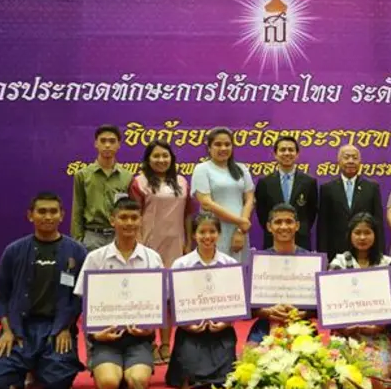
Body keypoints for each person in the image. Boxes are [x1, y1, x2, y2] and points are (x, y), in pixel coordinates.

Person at [0, 192, 87, 389]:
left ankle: (37, 370)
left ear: (62, 215)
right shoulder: (14, 251)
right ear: (31, 215)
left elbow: (79, 298)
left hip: (57, 328)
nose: (48, 217)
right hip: (20, 328)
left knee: (57, 384)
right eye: (42, 211)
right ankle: (22, 375)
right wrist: (7, 331)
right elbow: (1, 296)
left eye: (53, 212)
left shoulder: (77, 252)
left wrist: (66, 328)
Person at [73, 198, 164, 389]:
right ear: (112, 220)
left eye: (134, 218)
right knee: (109, 384)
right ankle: (111, 371)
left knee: (137, 382)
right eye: (123, 217)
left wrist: (149, 329)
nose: (129, 223)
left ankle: (130, 370)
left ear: (141, 220)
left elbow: (160, 301)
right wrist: (94, 334)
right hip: (105, 340)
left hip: (139, 340)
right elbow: (85, 302)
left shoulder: (152, 258)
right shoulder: (95, 258)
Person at [128, 139, 192, 364]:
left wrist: (188, 242)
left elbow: (188, 215)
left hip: (176, 246)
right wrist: (137, 245)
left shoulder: (182, 182)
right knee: (148, 297)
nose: (161, 160)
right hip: (148, 245)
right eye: (156, 156)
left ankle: (166, 344)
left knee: (169, 299)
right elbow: (133, 215)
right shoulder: (139, 182)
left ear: (172, 159)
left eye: (165, 155)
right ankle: (150, 343)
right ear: (148, 159)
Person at [165, 213, 239, 389]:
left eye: (212, 231)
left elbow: (236, 302)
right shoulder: (181, 265)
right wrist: (186, 325)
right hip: (190, 331)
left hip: (221, 330)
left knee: (226, 378)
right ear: (194, 235)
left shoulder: (230, 263)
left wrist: (225, 323)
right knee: (187, 375)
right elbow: (172, 302)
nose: (207, 236)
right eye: (202, 232)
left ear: (219, 234)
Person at [329, 212, 391, 388]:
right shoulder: (338, 263)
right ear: (350, 235)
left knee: (378, 376)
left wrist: (378, 326)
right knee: (339, 374)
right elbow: (331, 301)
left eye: (367, 232)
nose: (362, 237)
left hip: (376, 332)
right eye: (357, 232)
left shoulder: (387, 264)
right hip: (345, 333)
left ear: (375, 235)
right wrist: (344, 328)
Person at [247, 203, 313, 344]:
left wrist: (303, 313)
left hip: (301, 325)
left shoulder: (310, 260)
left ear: (297, 226)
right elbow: (248, 309)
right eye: (278, 222)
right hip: (265, 325)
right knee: (250, 354)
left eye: (289, 222)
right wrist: (267, 312)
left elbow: (319, 308)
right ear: (269, 227)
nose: (283, 226)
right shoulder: (258, 261)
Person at [191, 127, 255, 262]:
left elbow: (249, 199)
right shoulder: (202, 169)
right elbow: (206, 203)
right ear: (209, 148)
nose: (223, 148)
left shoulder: (241, 168)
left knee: (238, 270)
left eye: (227, 144)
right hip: (213, 231)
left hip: (239, 231)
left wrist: (240, 230)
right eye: (218, 144)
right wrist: (241, 222)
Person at [71, 124, 134, 251]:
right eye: (103, 141)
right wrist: (77, 241)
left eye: (112, 141)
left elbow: (131, 210)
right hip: (92, 236)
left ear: (119, 145)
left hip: (118, 235)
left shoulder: (127, 176)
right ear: (96, 143)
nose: (107, 145)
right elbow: (77, 210)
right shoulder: (83, 175)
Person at [318, 145, 384, 261]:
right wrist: (323, 256)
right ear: (339, 161)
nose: (350, 161)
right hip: (336, 251)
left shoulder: (372, 187)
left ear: (360, 162)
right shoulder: (327, 188)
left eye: (354, 158)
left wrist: (379, 253)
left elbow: (377, 222)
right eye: (346, 157)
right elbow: (323, 226)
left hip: (365, 251)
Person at [255, 135, 318, 250]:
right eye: (283, 150)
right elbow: (262, 213)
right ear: (275, 154)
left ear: (297, 154)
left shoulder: (309, 182)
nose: (287, 153)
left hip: (301, 240)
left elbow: (311, 213)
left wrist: (300, 228)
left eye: (291, 150)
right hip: (273, 240)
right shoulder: (265, 182)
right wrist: (275, 228)